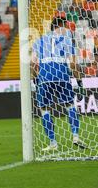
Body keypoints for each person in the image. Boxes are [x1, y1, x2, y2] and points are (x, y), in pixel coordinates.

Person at [31, 16, 86, 151]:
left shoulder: (39, 41)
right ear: (59, 27)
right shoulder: (67, 40)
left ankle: (53, 143)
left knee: (44, 109)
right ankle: (75, 136)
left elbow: (32, 64)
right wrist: (79, 81)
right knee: (69, 105)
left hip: (45, 77)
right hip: (62, 75)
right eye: (64, 27)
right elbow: (73, 64)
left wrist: (35, 78)